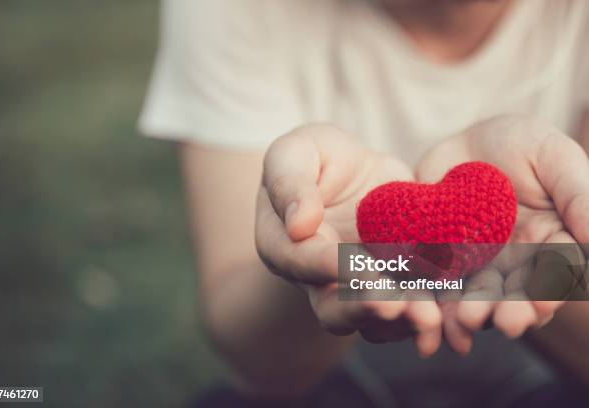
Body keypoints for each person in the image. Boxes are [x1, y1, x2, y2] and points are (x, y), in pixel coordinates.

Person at [139, 0, 589, 406]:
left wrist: (555, 268)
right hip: (331, 363)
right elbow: (256, 361)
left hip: (549, 357)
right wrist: (317, 262)